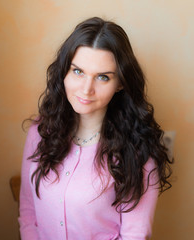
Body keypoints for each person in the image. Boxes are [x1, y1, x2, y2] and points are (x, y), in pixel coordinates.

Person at [18, 17, 172, 240]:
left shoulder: (137, 150)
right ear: (64, 72)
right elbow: (28, 210)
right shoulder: (39, 131)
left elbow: (135, 234)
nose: (86, 89)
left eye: (102, 77)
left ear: (120, 83)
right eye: (78, 71)